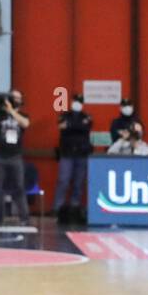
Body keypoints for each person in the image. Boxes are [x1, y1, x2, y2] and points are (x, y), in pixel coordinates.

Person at [0, 89, 30, 225]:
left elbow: (26, 124)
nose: (14, 100)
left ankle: (24, 218)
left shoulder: (22, 114)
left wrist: (11, 111)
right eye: (12, 97)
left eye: (17, 98)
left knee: (19, 187)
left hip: (15, 156)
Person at [54, 92, 92, 223]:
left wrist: (71, 126)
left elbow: (85, 127)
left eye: (80, 101)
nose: (78, 103)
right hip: (67, 153)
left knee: (78, 183)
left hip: (82, 154)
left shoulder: (86, 116)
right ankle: (58, 209)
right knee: (63, 181)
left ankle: (74, 209)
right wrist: (77, 126)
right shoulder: (65, 115)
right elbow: (61, 126)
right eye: (76, 101)